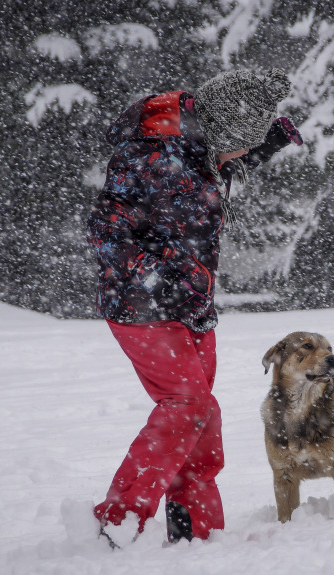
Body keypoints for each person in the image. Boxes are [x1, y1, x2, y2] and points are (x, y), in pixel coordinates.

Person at [87, 68, 303, 548]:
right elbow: (107, 234)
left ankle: (193, 532)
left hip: (190, 306)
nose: (242, 154)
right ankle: (115, 524)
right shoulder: (149, 157)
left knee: (203, 414)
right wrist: (169, 275)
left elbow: (206, 178)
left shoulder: (195, 150)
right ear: (222, 128)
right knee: (187, 405)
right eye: (242, 142)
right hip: (143, 305)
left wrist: (265, 146)